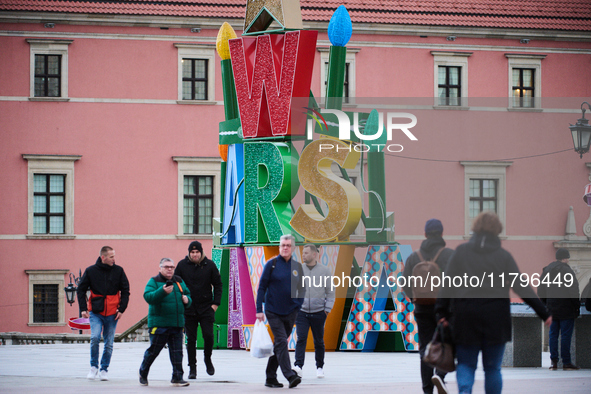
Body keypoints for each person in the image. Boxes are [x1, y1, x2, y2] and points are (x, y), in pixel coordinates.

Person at [435, 212, 551, 394]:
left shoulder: (461, 252)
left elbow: (447, 284)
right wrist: (543, 313)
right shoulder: (503, 256)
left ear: (475, 228)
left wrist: (441, 313)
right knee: (493, 369)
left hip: (466, 318)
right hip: (495, 320)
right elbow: (521, 286)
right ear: (497, 230)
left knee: (466, 364)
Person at [402, 219, 454, 394]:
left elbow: (405, 284)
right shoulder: (449, 255)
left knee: (425, 347)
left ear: (425, 234)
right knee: (448, 343)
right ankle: (440, 374)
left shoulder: (414, 257)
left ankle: (427, 390)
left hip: (422, 308)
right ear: (441, 233)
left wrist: (414, 299)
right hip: (445, 309)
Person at [256, 234, 305, 389]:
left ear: (293, 248)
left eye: (288, 245)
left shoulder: (297, 267)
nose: (285, 248)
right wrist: (259, 309)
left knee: (279, 345)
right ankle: (290, 375)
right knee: (282, 341)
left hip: (291, 313)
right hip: (273, 311)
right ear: (279, 247)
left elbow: (302, 289)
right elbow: (262, 287)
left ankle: (270, 377)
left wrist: (297, 306)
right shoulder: (272, 264)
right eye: (283, 245)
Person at [77, 246, 130, 381]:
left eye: (114, 256)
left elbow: (126, 290)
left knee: (109, 343)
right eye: (111, 257)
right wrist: (83, 309)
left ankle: (104, 369)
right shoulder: (90, 271)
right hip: (96, 311)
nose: (114, 259)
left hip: (113, 313)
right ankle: (93, 367)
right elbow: (80, 290)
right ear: (103, 257)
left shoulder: (119, 271)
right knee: (95, 338)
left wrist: (122, 309)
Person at [139, 258, 192, 387]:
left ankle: (177, 377)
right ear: (160, 268)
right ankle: (143, 372)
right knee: (153, 351)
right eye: (166, 267)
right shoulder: (154, 281)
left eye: (172, 267)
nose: (169, 269)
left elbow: (188, 295)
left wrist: (187, 300)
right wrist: (162, 291)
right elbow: (148, 297)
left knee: (177, 352)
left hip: (177, 323)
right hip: (159, 324)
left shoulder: (179, 281)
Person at [174, 241, 222, 379]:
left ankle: (207, 359)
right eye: (192, 252)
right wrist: (181, 301)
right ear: (189, 253)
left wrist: (215, 304)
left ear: (201, 252)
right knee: (191, 339)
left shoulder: (210, 265)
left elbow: (218, 285)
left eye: (197, 252)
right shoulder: (182, 265)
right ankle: (192, 368)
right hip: (189, 308)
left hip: (207, 307)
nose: (195, 255)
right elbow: (176, 284)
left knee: (208, 336)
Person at [294, 244, 334, 379]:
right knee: (301, 339)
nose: (303, 255)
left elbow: (330, 292)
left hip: (319, 312)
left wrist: (326, 310)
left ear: (313, 254)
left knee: (319, 341)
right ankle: (298, 366)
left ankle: (320, 367)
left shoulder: (324, 271)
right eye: (303, 253)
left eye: (306, 253)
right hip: (302, 312)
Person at [537, 248, 581, 370]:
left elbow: (541, 289)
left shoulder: (547, 270)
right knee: (565, 336)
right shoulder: (568, 271)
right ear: (565, 258)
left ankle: (554, 362)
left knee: (553, 335)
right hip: (566, 308)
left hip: (551, 308)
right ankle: (566, 362)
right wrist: (576, 306)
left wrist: (546, 303)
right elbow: (573, 291)